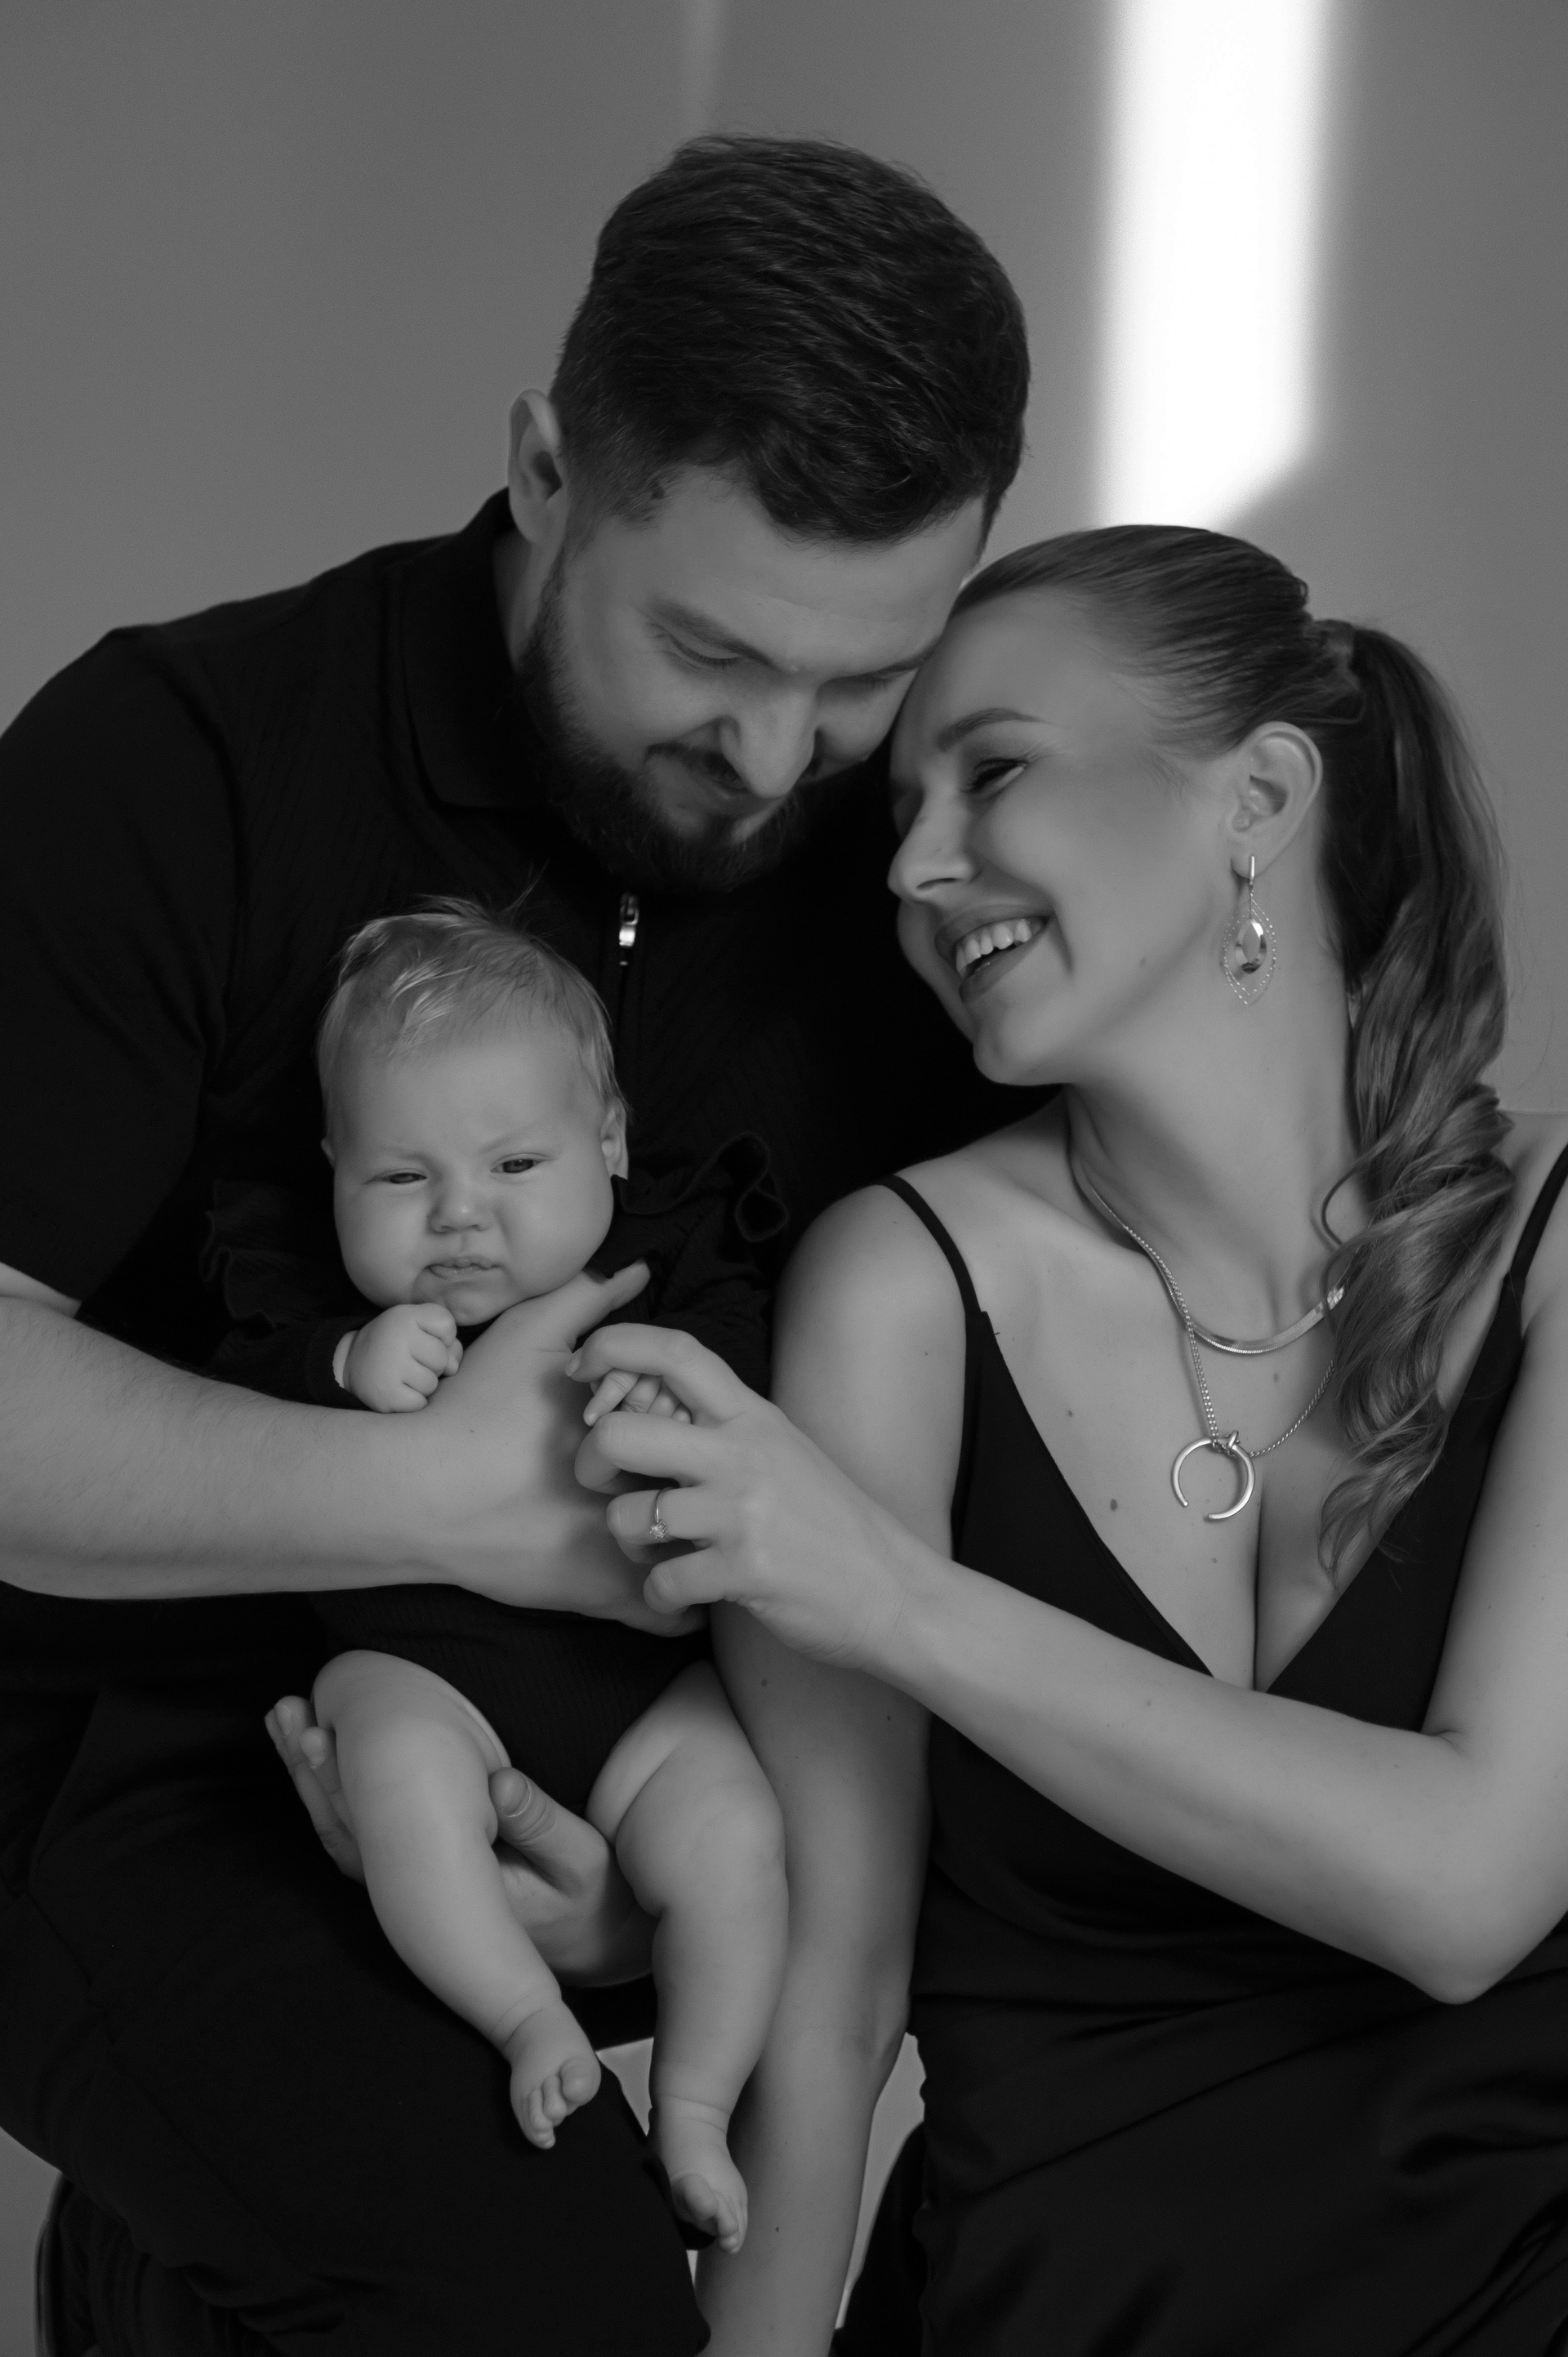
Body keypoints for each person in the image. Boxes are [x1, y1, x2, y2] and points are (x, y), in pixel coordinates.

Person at [0, 135, 1031, 2357]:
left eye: (865, 676)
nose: (780, 756)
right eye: (711, 649)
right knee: (541, 2295)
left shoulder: (909, 882)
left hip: (644, 1783)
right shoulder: (179, 759)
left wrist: (662, 1882)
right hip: (133, 1776)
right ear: (549, 470)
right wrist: (432, 1498)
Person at [568, 527, 1568, 2355]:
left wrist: (897, 1597)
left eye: (997, 771)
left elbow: (1469, 1887)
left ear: (1260, 795)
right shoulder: (899, 1288)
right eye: (903, 811)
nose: (915, 866)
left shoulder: (1559, 1241)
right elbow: (831, 2001)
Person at [228, 897, 786, 2249]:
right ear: (334, 1169)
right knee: (390, 1759)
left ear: (611, 1140)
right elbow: (234, 1409)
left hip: (637, 1695)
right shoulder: (314, 1305)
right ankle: (525, 2011)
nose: (461, 1217)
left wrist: (668, 1394)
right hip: (426, 1672)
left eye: (516, 1162)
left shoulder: (665, 1269)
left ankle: (696, 2103)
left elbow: (751, 1382)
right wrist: (342, 1366)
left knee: (737, 1829)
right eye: (399, 1179)